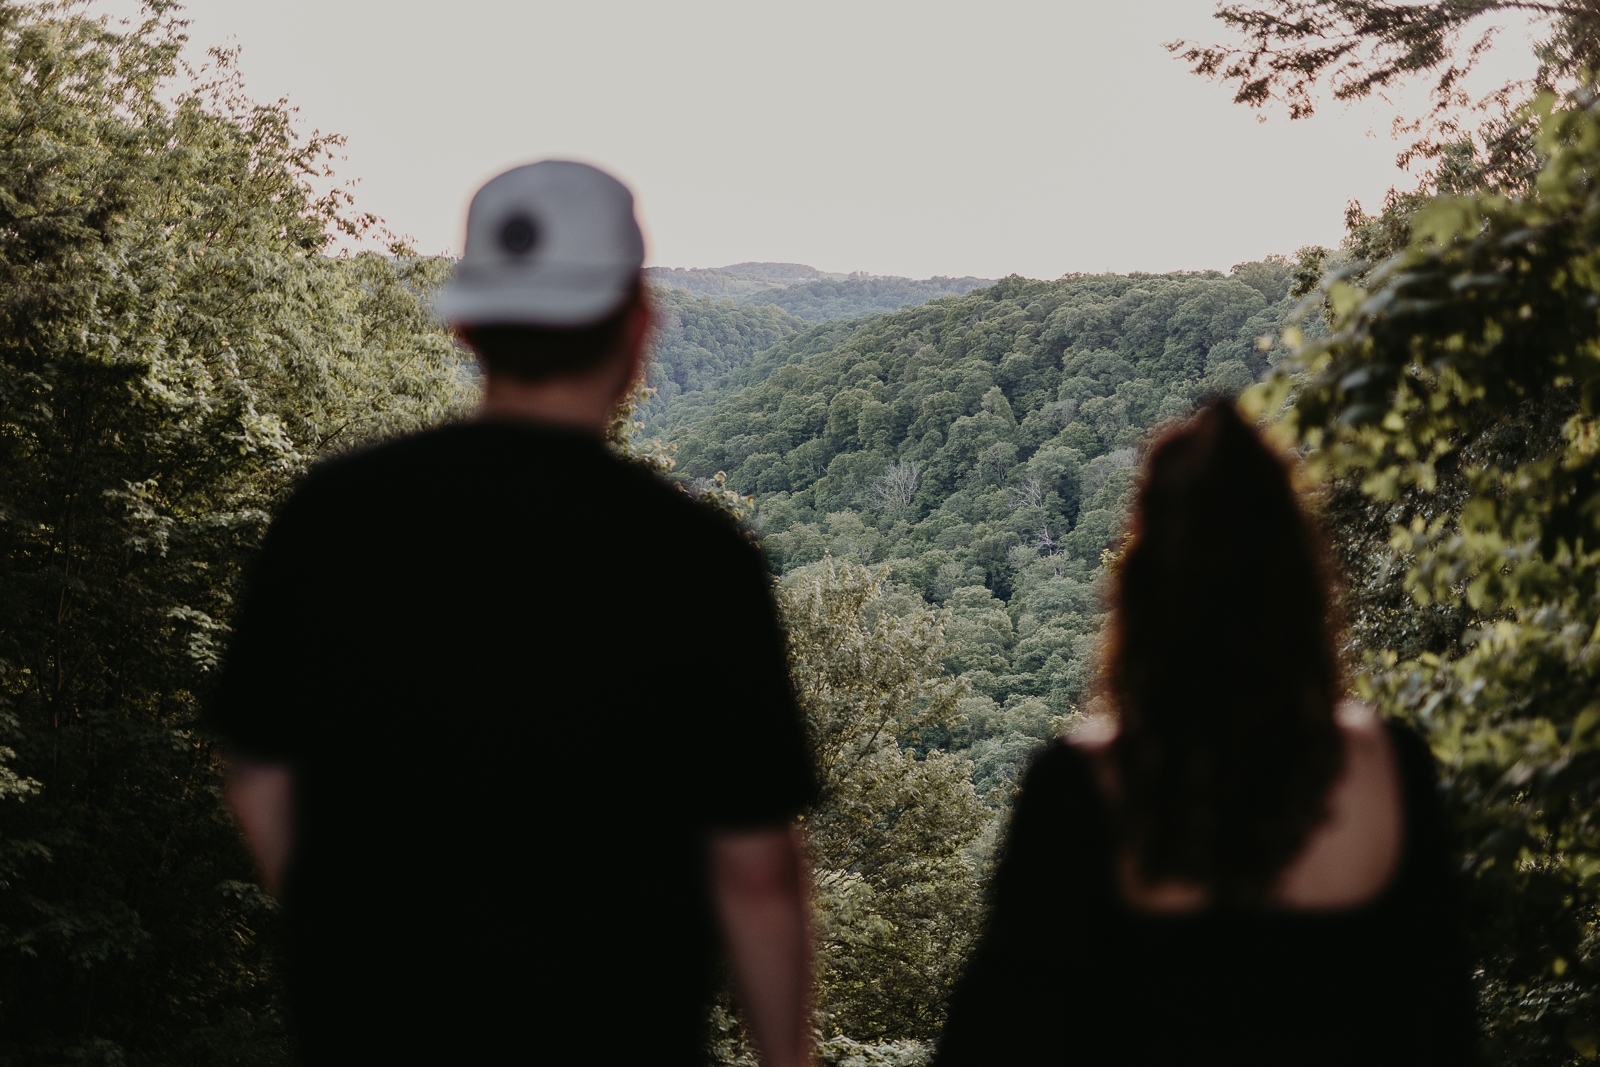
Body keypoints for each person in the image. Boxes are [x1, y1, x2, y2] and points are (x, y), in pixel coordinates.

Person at [210, 160, 816, 1067]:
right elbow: (757, 873)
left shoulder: (334, 514)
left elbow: (257, 773)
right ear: (637, 325)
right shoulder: (695, 559)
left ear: (467, 325)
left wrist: (359, 944)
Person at [934, 401, 1477, 1066]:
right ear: (1302, 584)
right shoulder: (1389, 767)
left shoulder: (1081, 785)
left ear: (1144, 587)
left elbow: (991, 1039)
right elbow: (1444, 1027)